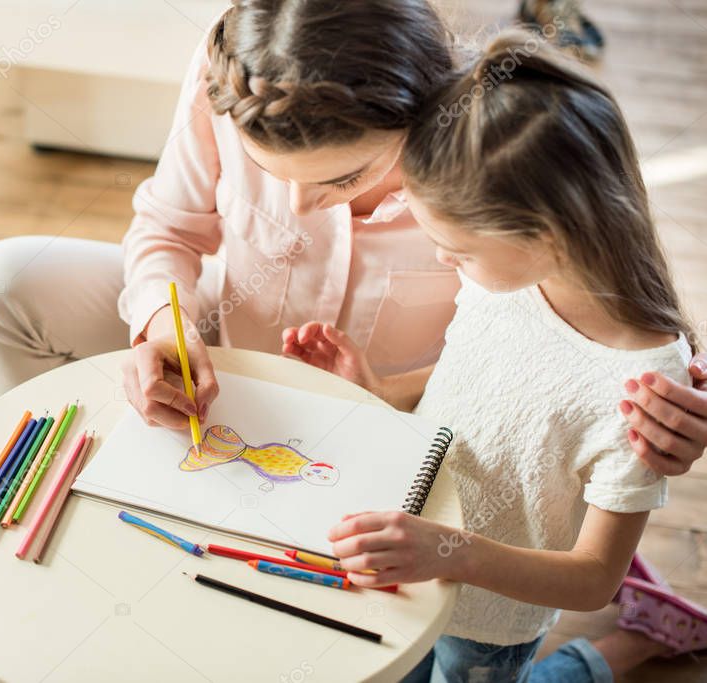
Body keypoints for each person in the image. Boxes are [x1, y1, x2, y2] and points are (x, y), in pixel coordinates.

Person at [0, 1, 707, 480]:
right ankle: (107, 477)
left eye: (343, 179)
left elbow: (595, 327)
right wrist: (165, 323)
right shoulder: (235, 74)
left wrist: (658, 414)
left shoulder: (490, 160)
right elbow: (168, 226)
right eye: (265, 171)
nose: (301, 205)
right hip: (231, 363)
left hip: (408, 419)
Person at [284, 31, 706, 681]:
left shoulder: (642, 384)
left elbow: (593, 577)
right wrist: (379, 387)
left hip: (488, 614)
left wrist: (450, 551)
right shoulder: (503, 279)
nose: (445, 261)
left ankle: (620, 649)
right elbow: (479, 380)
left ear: (544, 232)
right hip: (412, 552)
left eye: (455, 248)